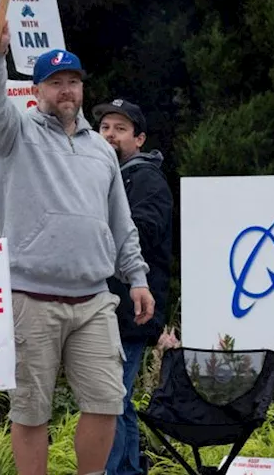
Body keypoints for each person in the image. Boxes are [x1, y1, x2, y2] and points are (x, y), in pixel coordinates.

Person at [0, 15, 155, 475]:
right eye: (55, 82)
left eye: (73, 81)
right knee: (31, 409)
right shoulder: (14, 135)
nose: (66, 90)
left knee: (108, 400)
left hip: (94, 298)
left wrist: (136, 277)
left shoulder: (101, 150)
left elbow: (120, 221)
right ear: (36, 91)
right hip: (31, 298)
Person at [93, 98, 175, 475]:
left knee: (112, 398)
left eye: (120, 129)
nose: (110, 135)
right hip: (105, 305)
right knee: (117, 400)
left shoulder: (146, 179)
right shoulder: (100, 174)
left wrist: (92, 231)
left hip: (131, 310)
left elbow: (141, 232)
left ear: (139, 139)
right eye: (105, 127)